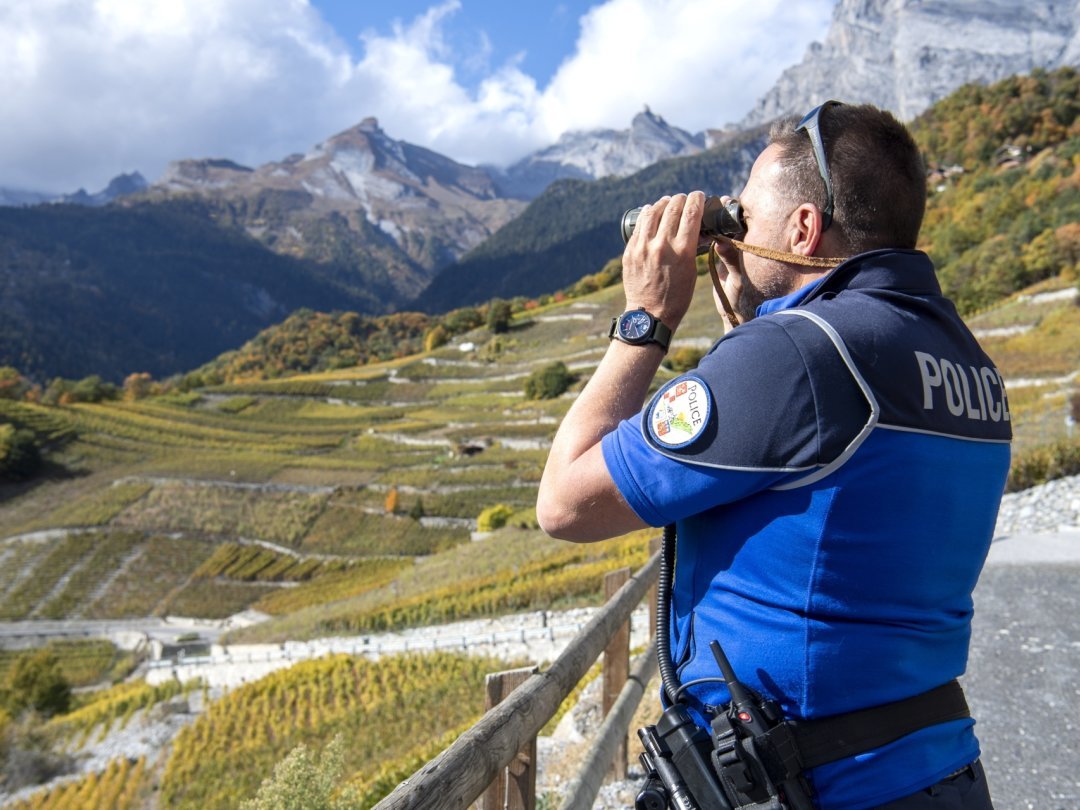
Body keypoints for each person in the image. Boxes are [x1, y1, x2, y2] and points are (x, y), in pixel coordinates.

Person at [536, 102, 1011, 809]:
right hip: (937, 767)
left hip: (812, 786)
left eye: (744, 216)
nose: (731, 232)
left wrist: (647, 320)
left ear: (803, 228)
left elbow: (564, 504)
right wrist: (753, 316)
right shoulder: (965, 361)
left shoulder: (799, 354)